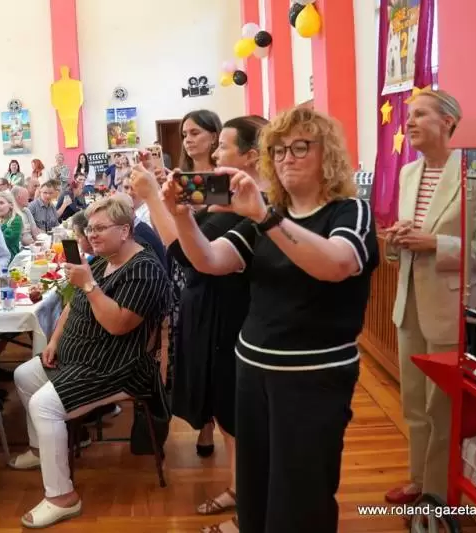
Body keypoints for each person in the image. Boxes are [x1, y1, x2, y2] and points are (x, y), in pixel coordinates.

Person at [173, 107, 378, 532]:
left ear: (328, 154)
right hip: (253, 370)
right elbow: (210, 260)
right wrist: (180, 217)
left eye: (300, 147)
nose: (286, 158)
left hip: (312, 377)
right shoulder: (264, 216)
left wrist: (266, 217)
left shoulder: (348, 211)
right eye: (279, 150)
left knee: (301, 494)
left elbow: (336, 264)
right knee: (256, 486)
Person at [132, 115, 267, 532]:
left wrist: (153, 198)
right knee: (228, 412)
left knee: (238, 415)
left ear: (251, 156)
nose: (216, 154)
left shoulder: (252, 205)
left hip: (233, 310)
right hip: (214, 304)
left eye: (223, 146)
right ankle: (240, 490)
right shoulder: (225, 193)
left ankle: (250, 507)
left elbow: (188, 254)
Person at [8, 197, 170, 528]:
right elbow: (73, 305)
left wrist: (89, 284)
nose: (91, 235)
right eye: (90, 229)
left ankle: (62, 497)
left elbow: (117, 325)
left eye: (99, 229)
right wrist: (54, 340)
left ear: (124, 231)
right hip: (77, 356)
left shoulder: (145, 270)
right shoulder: (101, 262)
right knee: (24, 375)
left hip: (117, 365)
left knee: (43, 405)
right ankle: (41, 450)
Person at [384, 90, 476, 504]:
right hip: (409, 305)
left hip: (454, 308)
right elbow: (408, 242)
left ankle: (437, 494)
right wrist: (396, 240)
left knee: (443, 408)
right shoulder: (408, 173)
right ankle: (419, 479)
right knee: (414, 402)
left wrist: (436, 243)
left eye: (419, 114)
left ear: (448, 122)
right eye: (408, 116)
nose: (409, 123)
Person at [163, 110, 223, 455]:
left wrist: (168, 203)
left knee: (214, 352)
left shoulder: (222, 178)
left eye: (196, 132)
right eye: (185, 133)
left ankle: (218, 421)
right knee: (194, 351)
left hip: (214, 267)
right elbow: (169, 224)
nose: (188, 139)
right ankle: (205, 423)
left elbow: (200, 224)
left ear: (214, 136)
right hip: (183, 272)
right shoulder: (180, 177)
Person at [0, 191, 24, 257]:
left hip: (10, 258)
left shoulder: (16, 220)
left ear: (11, 205)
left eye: (1, 203)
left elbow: (6, 240)